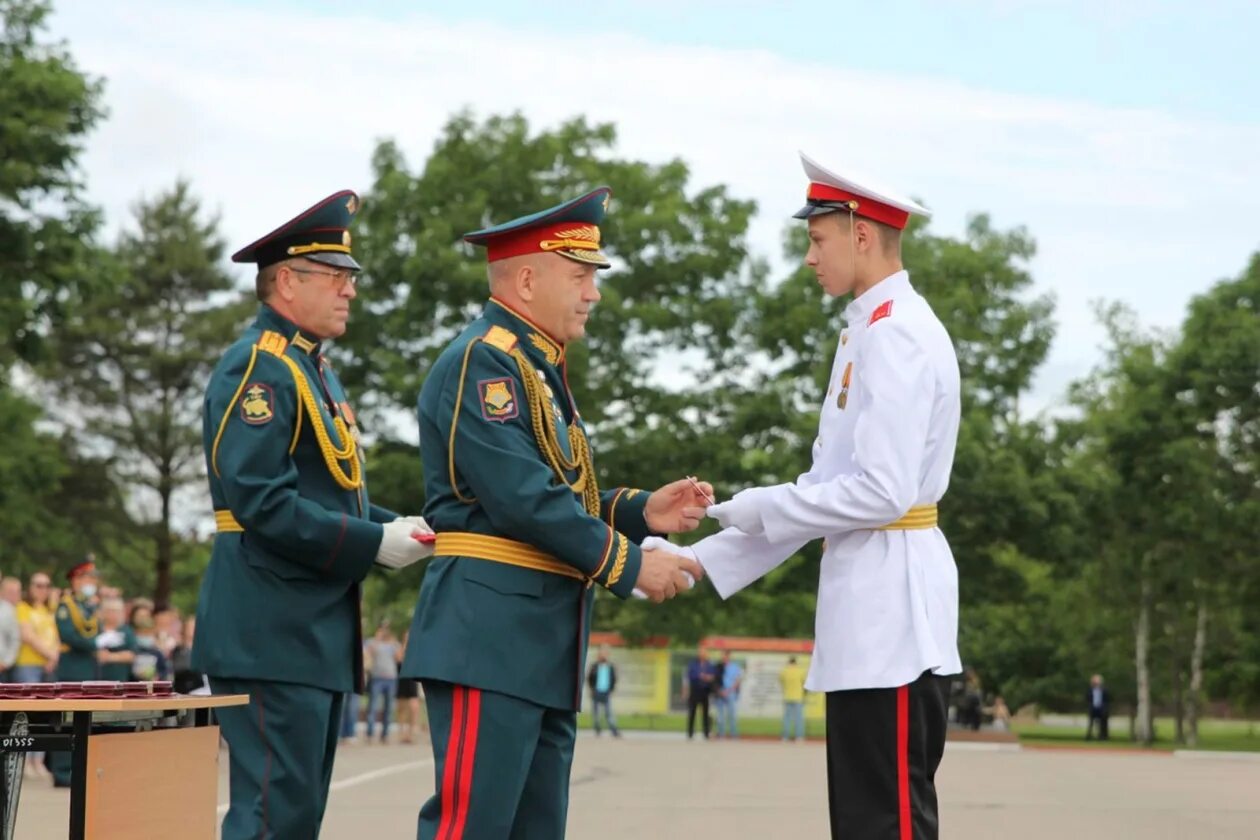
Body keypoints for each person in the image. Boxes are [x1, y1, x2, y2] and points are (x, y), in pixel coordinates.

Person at [653, 152, 963, 839]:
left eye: (816, 239)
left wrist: (757, 504)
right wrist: (705, 555)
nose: (808, 257)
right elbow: (828, 493)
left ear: (860, 233)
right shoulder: (867, 328)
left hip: (896, 617)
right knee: (863, 820)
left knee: (889, 822)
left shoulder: (898, 334)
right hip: (870, 611)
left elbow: (881, 492)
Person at [401, 187, 709, 839]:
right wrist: (630, 567)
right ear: (528, 278)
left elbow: (559, 493)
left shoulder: (534, 369)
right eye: (580, 276)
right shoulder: (482, 363)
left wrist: (641, 512)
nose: (592, 293)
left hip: (534, 643)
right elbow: (521, 498)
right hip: (491, 637)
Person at [192, 191, 433, 839]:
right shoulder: (260, 367)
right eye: (337, 277)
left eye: (350, 277)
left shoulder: (311, 371)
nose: (350, 290)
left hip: (304, 627)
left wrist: (393, 526)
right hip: (272, 626)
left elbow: (332, 497)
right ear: (287, 282)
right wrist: (370, 543)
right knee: (274, 816)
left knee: (292, 816)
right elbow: (260, 501)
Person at [49, 559, 102, 786]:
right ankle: (62, 771)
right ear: (76, 580)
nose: (91, 583)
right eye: (87, 579)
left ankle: (77, 767)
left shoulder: (86, 605)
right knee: (67, 719)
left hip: (87, 667)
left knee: (83, 720)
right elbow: (68, 635)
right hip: (71, 666)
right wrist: (96, 644)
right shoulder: (65, 605)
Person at [364, 620, 401, 743]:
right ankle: (370, 733)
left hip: (391, 679)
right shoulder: (372, 642)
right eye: (383, 628)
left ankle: (385, 734)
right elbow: (368, 652)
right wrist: (377, 638)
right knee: (373, 706)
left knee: (389, 708)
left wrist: (394, 642)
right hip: (377, 678)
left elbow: (399, 658)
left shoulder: (393, 644)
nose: (385, 631)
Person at [95, 597, 136, 681]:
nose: (113, 614)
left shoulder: (126, 631)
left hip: (119, 679)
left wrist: (110, 657)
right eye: (109, 610)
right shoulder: (95, 629)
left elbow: (132, 655)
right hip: (95, 677)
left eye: (116, 611)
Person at [586, 645, 619, 737]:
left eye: (605, 653)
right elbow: (589, 678)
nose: (603, 655)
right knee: (596, 713)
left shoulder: (610, 666)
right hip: (596, 691)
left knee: (609, 713)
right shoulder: (594, 666)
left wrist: (612, 689)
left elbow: (614, 679)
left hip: (606, 692)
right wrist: (591, 689)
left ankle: (613, 730)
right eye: (601, 653)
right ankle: (597, 729)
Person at [684, 653, 715, 740]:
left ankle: (706, 732)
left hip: (705, 691)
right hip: (695, 690)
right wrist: (699, 676)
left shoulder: (709, 665)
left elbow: (713, 676)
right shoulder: (693, 664)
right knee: (692, 712)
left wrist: (707, 677)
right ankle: (690, 732)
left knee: (705, 713)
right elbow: (690, 675)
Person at [714, 650, 743, 739]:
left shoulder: (735, 667)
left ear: (729, 656)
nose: (724, 657)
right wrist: (719, 690)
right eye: (722, 656)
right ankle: (721, 733)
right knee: (720, 715)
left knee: (732, 714)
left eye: (725, 656)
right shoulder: (717, 667)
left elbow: (737, 681)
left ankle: (733, 733)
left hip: (731, 692)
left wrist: (729, 690)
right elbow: (714, 680)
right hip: (720, 692)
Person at [780, 656, 807, 742]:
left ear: (789, 662)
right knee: (798, 718)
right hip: (798, 696)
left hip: (787, 696)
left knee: (787, 718)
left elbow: (781, 682)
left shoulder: (784, 671)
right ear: (796, 662)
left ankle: (785, 736)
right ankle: (799, 736)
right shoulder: (800, 670)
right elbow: (804, 683)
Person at [1086, 674, 1111, 741]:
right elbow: (1087, 698)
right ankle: (1089, 736)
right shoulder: (1090, 690)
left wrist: (1105, 708)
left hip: (1102, 709)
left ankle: (1102, 736)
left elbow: (1108, 699)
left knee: (1103, 723)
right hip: (1093, 709)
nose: (1096, 682)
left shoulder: (1104, 690)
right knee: (1091, 723)